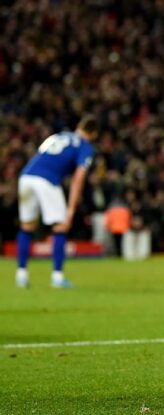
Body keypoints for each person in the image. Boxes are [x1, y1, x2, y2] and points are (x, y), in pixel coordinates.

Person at [15, 116, 97, 289]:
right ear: (93, 133)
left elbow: (41, 154)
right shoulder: (85, 146)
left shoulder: (58, 136)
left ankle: (21, 274)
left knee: (27, 226)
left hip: (26, 176)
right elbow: (78, 178)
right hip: (47, 180)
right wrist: (71, 209)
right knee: (60, 226)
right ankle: (57, 277)